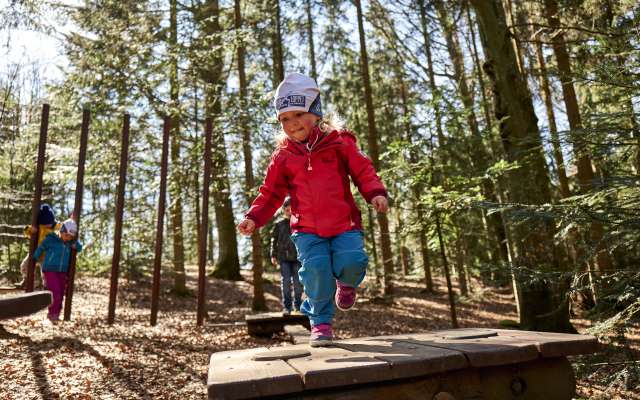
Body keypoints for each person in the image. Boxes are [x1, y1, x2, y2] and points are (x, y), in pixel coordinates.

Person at [238, 72, 389, 346]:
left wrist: (375, 193)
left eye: (298, 114)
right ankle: (320, 322)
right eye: (284, 118)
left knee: (352, 263)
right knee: (316, 272)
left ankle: (347, 283)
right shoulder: (283, 156)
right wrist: (253, 217)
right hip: (307, 230)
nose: (292, 123)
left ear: (315, 111)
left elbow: (363, 170)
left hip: (345, 224)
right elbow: (270, 193)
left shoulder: (340, 142)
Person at [32, 219, 82, 322]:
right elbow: (41, 247)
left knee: (61, 292)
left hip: (62, 271)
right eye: (67, 235)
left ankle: (56, 313)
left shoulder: (69, 243)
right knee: (55, 291)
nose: (68, 238)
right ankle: (52, 314)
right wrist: (35, 256)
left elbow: (80, 247)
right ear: (62, 230)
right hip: (49, 269)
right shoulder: (51, 239)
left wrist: (75, 244)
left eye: (70, 237)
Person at [271, 197, 303, 315]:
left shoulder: (300, 223)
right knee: (285, 282)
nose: (289, 212)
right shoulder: (279, 224)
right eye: (287, 209)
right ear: (283, 210)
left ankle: (298, 306)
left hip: (298, 258)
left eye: (292, 209)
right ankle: (287, 307)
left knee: (298, 283)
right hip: (283, 258)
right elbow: (274, 240)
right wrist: (273, 255)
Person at [17, 204, 60, 289]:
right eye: (46, 223)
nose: (48, 225)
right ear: (41, 222)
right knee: (24, 266)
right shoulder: (38, 227)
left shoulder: (54, 226)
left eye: (50, 223)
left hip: (46, 255)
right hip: (34, 252)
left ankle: (47, 287)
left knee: (45, 273)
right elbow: (27, 230)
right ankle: (30, 281)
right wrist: (29, 229)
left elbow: (62, 226)